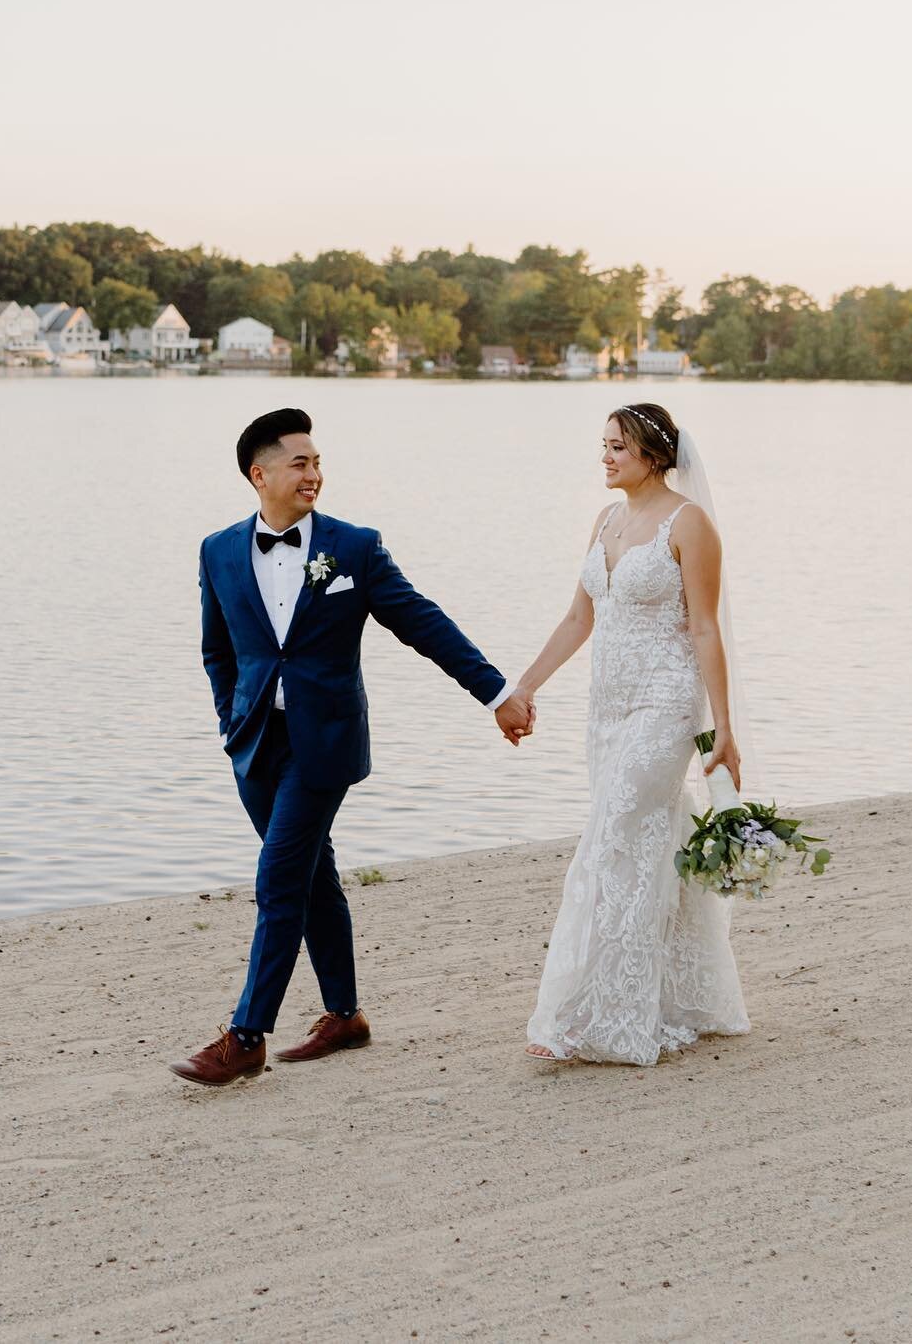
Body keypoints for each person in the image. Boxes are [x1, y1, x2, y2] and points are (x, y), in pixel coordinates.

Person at [169, 407, 535, 1087]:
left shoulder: (354, 548)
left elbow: (424, 624)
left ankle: (246, 1035)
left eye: (317, 461)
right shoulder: (217, 550)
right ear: (261, 474)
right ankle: (344, 1016)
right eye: (299, 463)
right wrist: (230, 722)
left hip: (325, 743)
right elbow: (216, 650)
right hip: (255, 745)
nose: (314, 474)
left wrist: (495, 692)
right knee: (311, 876)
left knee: (278, 878)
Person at [518, 403, 753, 1064]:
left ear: (653, 453)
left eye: (617, 446)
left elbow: (705, 629)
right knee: (640, 838)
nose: (606, 457)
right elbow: (576, 619)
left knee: (616, 833)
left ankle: (599, 1015)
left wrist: (723, 732)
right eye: (603, 446)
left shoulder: (690, 524)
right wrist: (526, 685)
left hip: (666, 702)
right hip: (608, 708)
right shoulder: (605, 521)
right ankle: (685, 995)